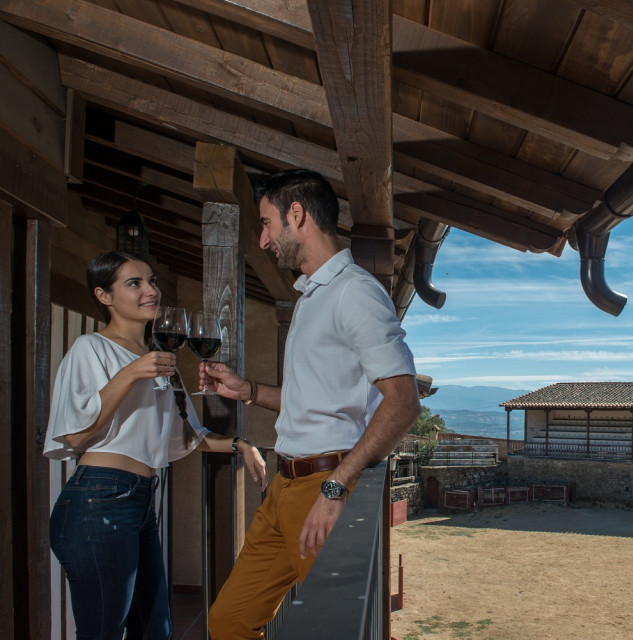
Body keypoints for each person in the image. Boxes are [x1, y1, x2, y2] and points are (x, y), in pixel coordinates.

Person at [200, 169, 421, 638]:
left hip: (323, 486)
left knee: (333, 626)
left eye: (265, 223)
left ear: (296, 215)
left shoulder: (355, 292)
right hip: (283, 486)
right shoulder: (309, 297)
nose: (262, 240)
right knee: (229, 621)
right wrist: (249, 391)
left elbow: (402, 402)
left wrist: (337, 486)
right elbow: (316, 400)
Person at [44, 251, 267, 640]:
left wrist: (241, 445)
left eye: (151, 281)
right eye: (134, 283)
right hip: (98, 500)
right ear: (104, 295)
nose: (150, 290)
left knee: (155, 630)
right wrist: (131, 373)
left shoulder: (157, 360)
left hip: (142, 502)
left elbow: (187, 435)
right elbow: (76, 436)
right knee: (103, 632)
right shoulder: (90, 349)